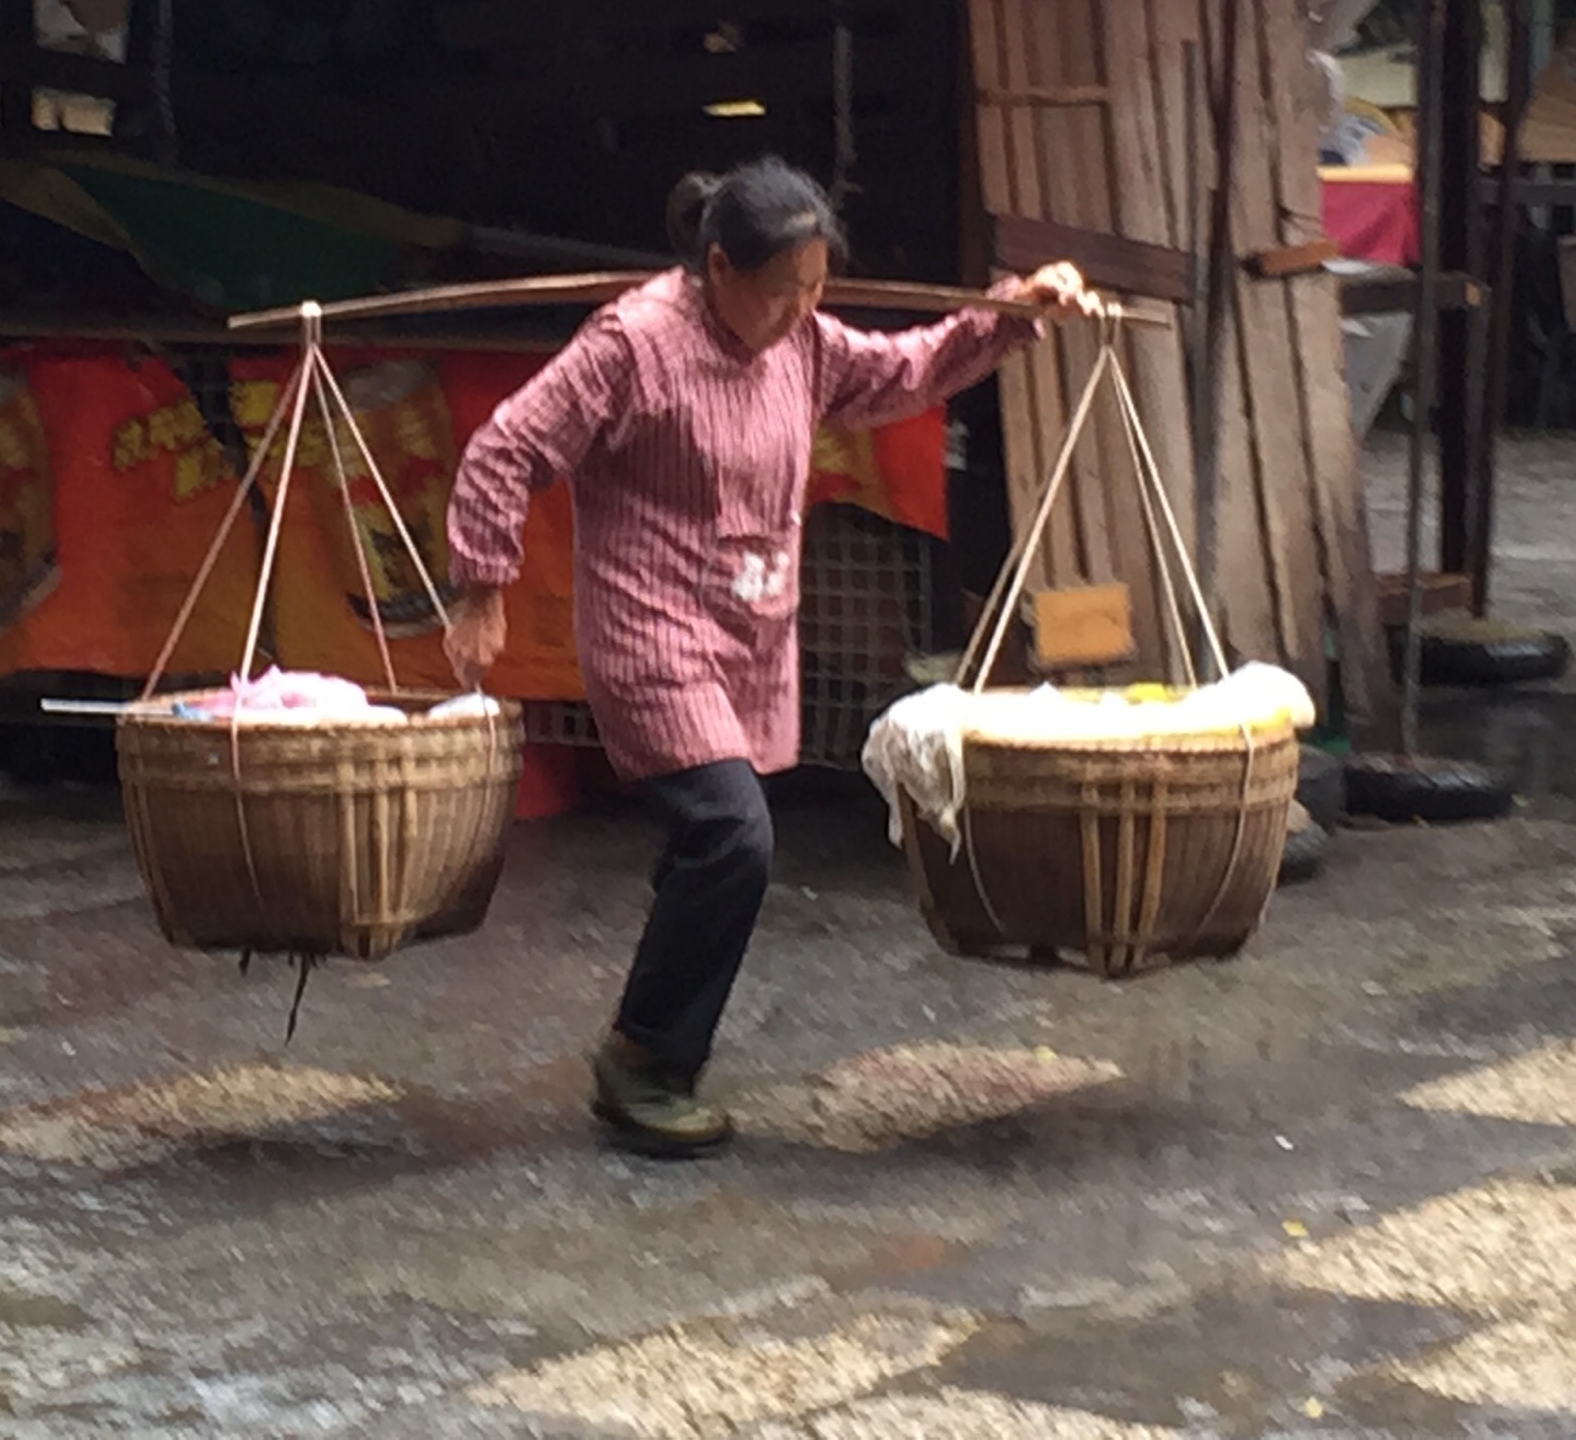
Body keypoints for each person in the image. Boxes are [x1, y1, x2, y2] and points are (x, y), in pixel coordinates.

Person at [442, 156, 1098, 1156]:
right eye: (783, 287)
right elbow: (507, 446)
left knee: (714, 844)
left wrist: (1013, 313)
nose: (803, 308)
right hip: (650, 626)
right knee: (731, 833)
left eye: (817, 285)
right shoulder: (634, 344)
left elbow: (904, 370)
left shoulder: (804, 344)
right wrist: (481, 586)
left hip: (748, 628)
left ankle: (652, 1052)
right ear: (718, 267)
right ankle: (645, 1059)